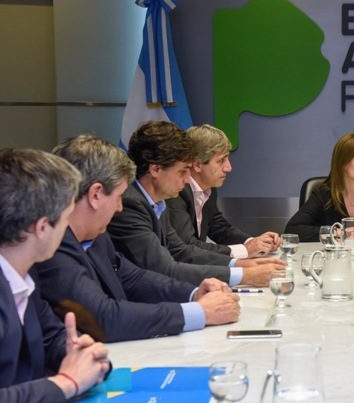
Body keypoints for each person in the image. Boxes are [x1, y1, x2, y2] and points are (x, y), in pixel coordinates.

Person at [35, 135, 240, 343]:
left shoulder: (97, 236)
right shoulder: (52, 247)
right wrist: (198, 313)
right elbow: (104, 318)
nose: (119, 208)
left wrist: (194, 294)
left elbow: (132, 278)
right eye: (118, 197)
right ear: (96, 194)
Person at [107, 121, 284, 287]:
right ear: (155, 169)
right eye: (183, 171)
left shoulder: (157, 201)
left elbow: (180, 250)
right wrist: (244, 275)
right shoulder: (130, 204)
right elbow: (165, 268)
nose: (187, 179)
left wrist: (238, 264)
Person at [0, 148, 110, 403]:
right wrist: (67, 382)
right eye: (65, 218)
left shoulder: (23, 275)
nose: (67, 228)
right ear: (41, 227)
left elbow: (50, 335)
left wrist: (83, 355)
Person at [166, 124, 280, 259]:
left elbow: (218, 227)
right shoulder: (175, 192)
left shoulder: (209, 188)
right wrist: (244, 250)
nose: (228, 168)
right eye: (221, 161)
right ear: (197, 165)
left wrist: (253, 242)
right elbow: (187, 245)